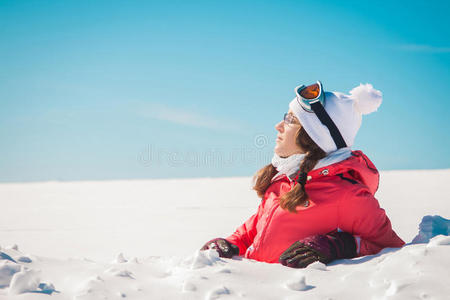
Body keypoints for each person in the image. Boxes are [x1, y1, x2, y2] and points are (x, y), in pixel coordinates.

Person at [201, 81, 405, 268]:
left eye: (290, 120)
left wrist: (339, 245)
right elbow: (255, 228)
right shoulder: (284, 180)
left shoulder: (348, 195)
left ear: (314, 135)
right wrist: (232, 242)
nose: (278, 126)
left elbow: (391, 248)